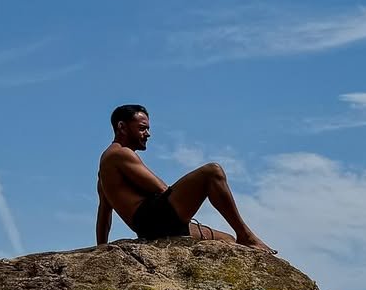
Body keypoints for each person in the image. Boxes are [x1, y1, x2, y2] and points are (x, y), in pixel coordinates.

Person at [95, 104, 274, 250]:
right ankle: (246, 234)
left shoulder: (104, 168)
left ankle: (240, 239)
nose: (147, 134)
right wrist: (187, 201)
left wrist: (101, 248)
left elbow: (104, 213)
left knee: (226, 240)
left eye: (148, 129)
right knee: (212, 172)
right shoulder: (120, 154)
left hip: (151, 227)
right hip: (155, 219)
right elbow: (163, 190)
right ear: (122, 127)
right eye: (142, 128)